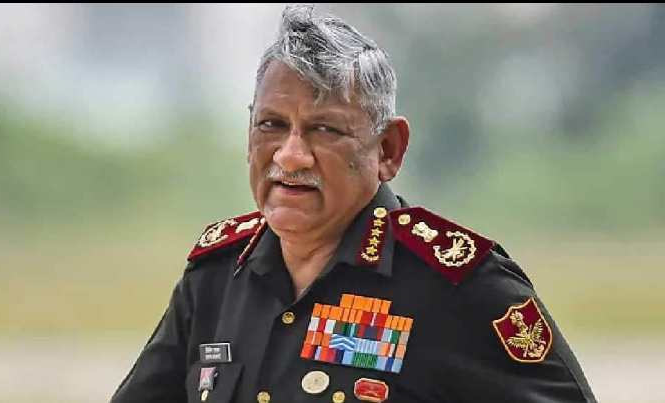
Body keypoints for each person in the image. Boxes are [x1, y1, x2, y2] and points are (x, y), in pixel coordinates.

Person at [109, 4, 598, 403]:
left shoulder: (460, 286)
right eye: (272, 125)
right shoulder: (216, 277)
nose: (291, 155)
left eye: (325, 129)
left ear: (388, 150)